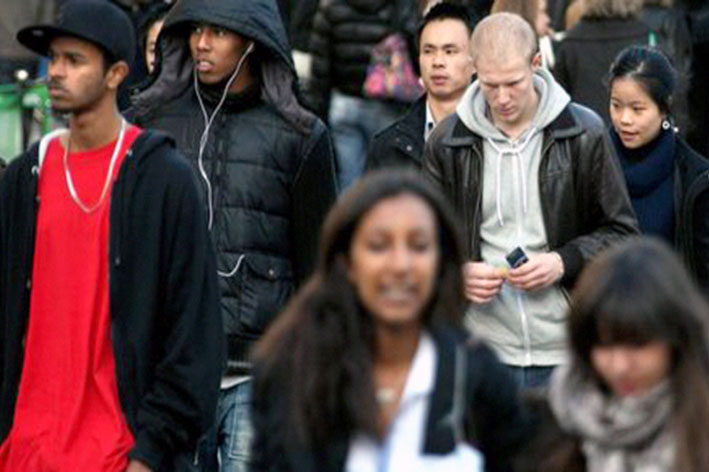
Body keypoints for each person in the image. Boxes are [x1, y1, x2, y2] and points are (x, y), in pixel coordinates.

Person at [0, 1, 223, 471]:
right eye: (54, 59)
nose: (55, 73)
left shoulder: (162, 181)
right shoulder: (24, 180)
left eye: (74, 61)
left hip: (117, 455)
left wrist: (149, 454)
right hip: (25, 452)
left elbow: (194, 337)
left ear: (116, 74)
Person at [131, 0, 338, 469]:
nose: (201, 43)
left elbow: (321, 266)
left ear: (252, 39)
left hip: (260, 372)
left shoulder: (300, 135)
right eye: (196, 29)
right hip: (171, 373)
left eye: (219, 32)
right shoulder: (150, 123)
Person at [251, 170, 533, 472]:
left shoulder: (478, 377)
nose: (401, 265)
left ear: (441, 262)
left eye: (419, 246)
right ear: (347, 263)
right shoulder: (293, 372)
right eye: (379, 245)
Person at [424, 12, 639, 389]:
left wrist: (562, 262)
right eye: (490, 85)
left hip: (565, 345)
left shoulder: (582, 131)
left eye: (513, 83)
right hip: (481, 346)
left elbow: (622, 234)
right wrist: (455, 272)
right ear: (474, 70)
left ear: (536, 63)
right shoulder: (447, 140)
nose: (502, 98)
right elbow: (424, 240)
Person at [519, 237, 709, 472]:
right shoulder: (553, 421)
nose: (620, 366)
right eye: (604, 346)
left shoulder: (698, 424)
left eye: (637, 345)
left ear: (676, 338)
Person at [607, 46, 709, 295]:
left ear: (664, 108)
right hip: (606, 313)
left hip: (668, 315)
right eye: (616, 105)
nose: (624, 119)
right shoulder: (595, 160)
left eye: (637, 109)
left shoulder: (695, 177)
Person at [307, 0, 419, 189]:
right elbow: (413, 41)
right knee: (387, 180)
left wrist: (318, 111)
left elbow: (320, 68)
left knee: (348, 181)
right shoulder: (397, 5)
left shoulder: (331, 7)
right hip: (385, 103)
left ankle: (350, 218)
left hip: (343, 103)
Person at [367, 2, 475, 171]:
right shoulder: (389, 145)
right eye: (428, 51)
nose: (437, 62)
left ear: (475, 60)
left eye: (450, 51)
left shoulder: (495, 138)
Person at [553, 0, 650, 125]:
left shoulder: (571, 43)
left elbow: (559, 104)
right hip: (637, 131)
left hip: (586, 134)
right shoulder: (648, 37)